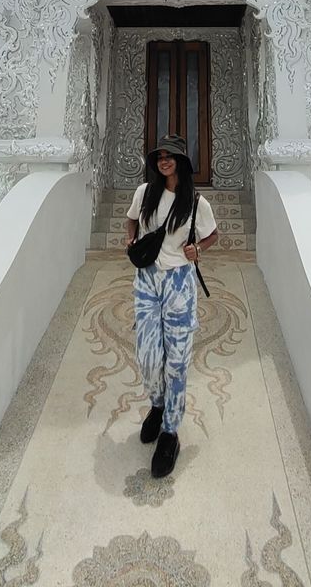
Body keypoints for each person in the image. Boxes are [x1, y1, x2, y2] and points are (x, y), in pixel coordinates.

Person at [125, 133, 218, 478]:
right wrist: (130, 238)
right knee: (148, 354)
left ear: (181, 161)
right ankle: (157, 404)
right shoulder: (144, 193)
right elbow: (132, 219)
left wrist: (199, 249)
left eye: (170, 156)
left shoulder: (196, 202)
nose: (164, 161)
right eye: (159, 156)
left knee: (176, 361)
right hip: (148, 279)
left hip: (179, 282)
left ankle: (170, 431)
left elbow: (212, 235)